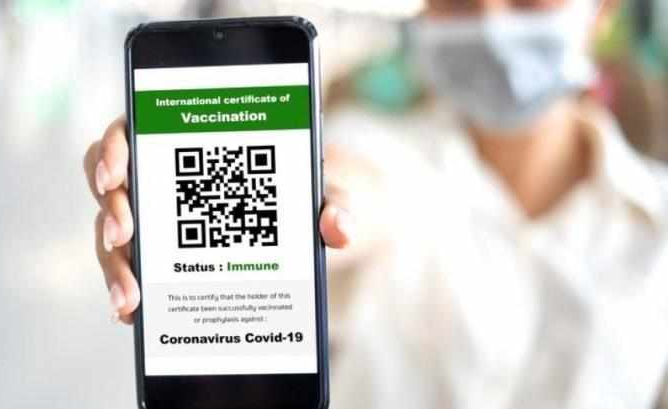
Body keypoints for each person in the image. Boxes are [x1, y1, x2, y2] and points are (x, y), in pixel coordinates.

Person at [83, 0, 668, 407]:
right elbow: (350, 194)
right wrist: (258, 200)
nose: (491, 21)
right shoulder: (383, 153)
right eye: (460, 0)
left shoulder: (658, 224)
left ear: (602, 11)